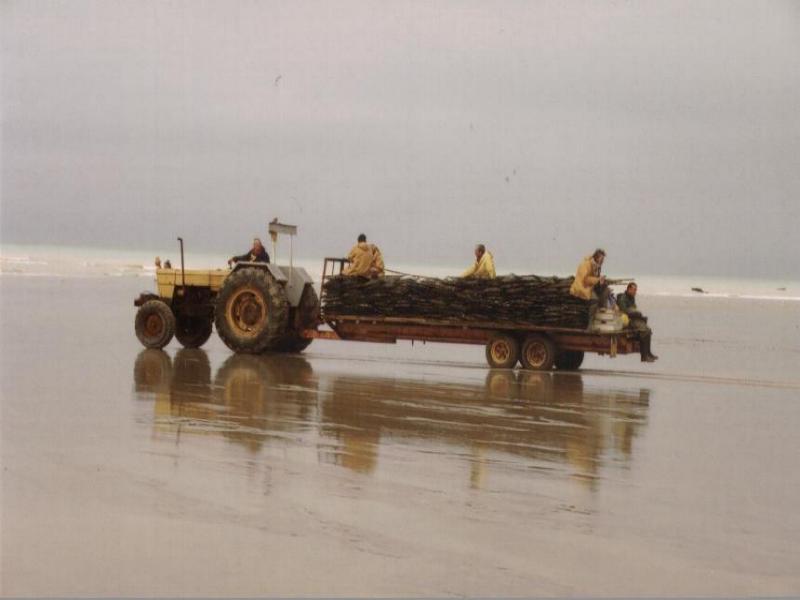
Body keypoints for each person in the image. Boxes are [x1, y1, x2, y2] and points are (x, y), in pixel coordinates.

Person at [617, 282, 658, 362]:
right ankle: (644, 356)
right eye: (634, 290)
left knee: (648, 330)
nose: (635, 292)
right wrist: (636, 313)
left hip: (634, 318)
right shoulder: (623, 298)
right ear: (629, 289)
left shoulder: (631, 298)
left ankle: (648, 353)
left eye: (636, 290)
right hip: (627, 320)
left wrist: (638, 314)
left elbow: (633, 308)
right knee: (644, 332)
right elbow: (625, 310)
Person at [569, 248, 610, 324]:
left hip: (591, 287)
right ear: (597, 257)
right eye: (602, 259)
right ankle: (590, 324)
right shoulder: (585, 265)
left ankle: (602, 312)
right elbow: (585, 279)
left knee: (606, 290)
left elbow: (594, 279)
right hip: (582, 287)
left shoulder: (597, 266)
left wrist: (600, 281)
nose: (603, 261)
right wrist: (597, 280)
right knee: (594, 300)